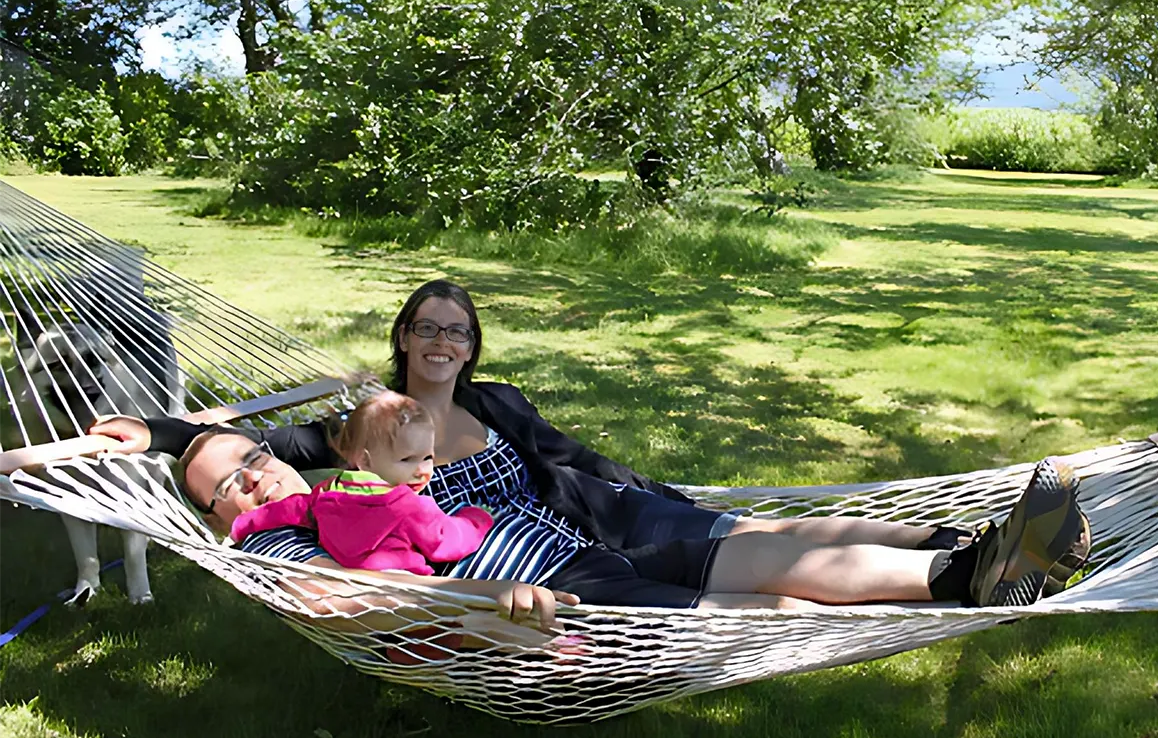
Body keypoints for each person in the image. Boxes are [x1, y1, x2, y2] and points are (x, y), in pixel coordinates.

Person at [91, 280, 1090, 626]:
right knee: (764, 573)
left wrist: (662, 491)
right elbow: (256, 453)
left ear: (471, 348)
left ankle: (969, 554)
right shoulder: (366, 432)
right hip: (557, 568)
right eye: (427, 329)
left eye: (456, 332)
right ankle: (973, 573)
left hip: (599, 522)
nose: (441, 342)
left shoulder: (495, 402)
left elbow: (575, 457)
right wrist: (165, 432)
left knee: (766, 539)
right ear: (403, 338)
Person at [228, 391, 494, 576]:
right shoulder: (407, 507)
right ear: (365, 461)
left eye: (428, 457)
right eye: (407, 459)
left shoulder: (327, 493)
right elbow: (445, 540)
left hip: (357, 589)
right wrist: (476, 518)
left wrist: (242, 525)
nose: (422, 470)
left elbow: (284, 509)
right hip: (408, 593)